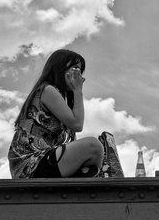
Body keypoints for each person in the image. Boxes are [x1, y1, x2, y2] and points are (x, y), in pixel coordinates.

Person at [8, 49, 104, 179]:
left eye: (80, 70)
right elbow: (77, 124)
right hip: (32, 164)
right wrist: (77, 90)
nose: (78, 74)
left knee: (95, 160)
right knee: (94, 146)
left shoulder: (58, 97)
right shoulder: (48, 90)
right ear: (60, 67)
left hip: (46, 160)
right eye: (75, 68)